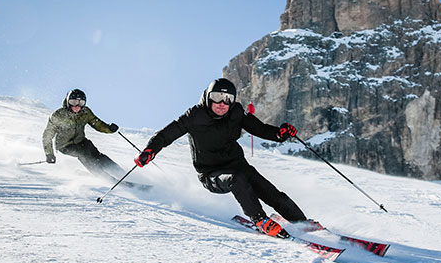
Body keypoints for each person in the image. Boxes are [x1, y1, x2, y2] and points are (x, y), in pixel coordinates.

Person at [134, 78, 318, 238]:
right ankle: (260, 220)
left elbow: (260, 129)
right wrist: (149, 151)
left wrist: (280, 134)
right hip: (211, 174)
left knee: (271, 193)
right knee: (236, 180)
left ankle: (302, 223)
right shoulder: (194, 116)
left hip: (239, 165)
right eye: (217, 98)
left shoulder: (236, 112)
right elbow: (166, 135)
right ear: (208, 97)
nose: (222, 103)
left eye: (228, 99)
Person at [42, 89, 123, 178]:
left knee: (96, 154)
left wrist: (109, 129)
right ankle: (102, 175)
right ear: (68, 102)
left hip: (81, 141)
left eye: (81, 103)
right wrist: (49, 154)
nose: (77, 106)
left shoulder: (85, 112)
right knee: (83, 154)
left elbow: (97, 124)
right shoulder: (58, 115)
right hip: (65, 145)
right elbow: (47, 135)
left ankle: (119, 172)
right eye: (73, 102)